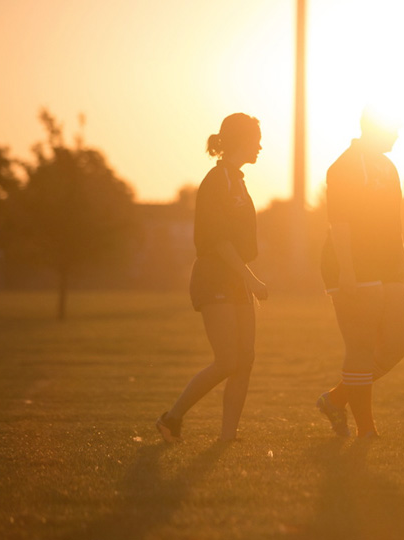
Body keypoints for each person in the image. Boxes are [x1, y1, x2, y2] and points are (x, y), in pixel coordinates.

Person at [156, 113, 269, 443]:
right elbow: (218, 240)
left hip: (235, 277)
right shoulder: (217, 180)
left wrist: (246, 276)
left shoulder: (237, 179)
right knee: (227, 361)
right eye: (256, 139)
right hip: (215, 277)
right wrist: (251, 278)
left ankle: (228, 437)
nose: (261, 146)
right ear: (242, 140)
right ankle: (171, 418)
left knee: (244, 361)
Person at [316, 107, 404, 438]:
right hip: (352, 264)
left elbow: (393, 221)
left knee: (398, 344)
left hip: (386, 266)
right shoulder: (344, 166)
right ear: (374, 130)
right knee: (360, 347)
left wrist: (401, 262)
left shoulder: (387, 165)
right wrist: (347, 271)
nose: (398, 134)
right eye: (393, 128)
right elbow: (339, 222)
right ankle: (366, 430)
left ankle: (335, 399)